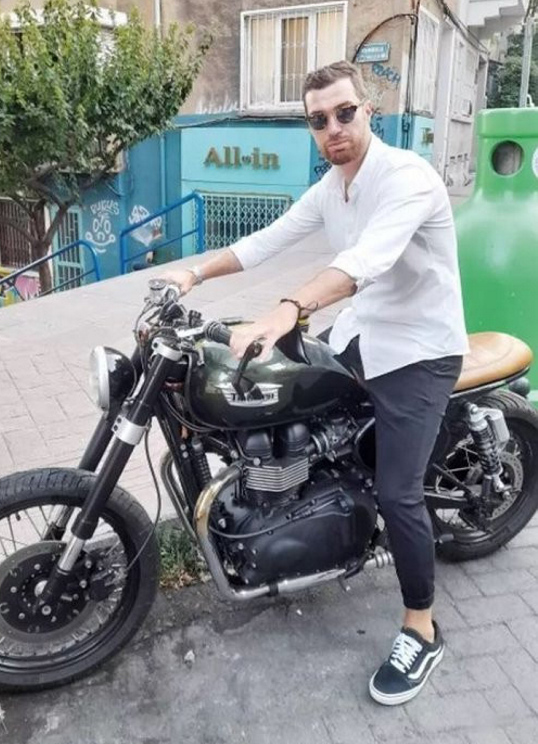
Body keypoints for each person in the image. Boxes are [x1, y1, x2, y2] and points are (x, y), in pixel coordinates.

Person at [164, 60, 469, 706]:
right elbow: (267, 240)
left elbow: (362, 263)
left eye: (344, 113)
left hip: (419, 349)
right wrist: (194, 275)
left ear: (368, 111)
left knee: (399, 494)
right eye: (319, 120)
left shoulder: (408, 178)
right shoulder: (333, 187)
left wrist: (287, 308)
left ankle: (421, 627)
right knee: (284, 397)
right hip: (363, 332)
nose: (333, 128)